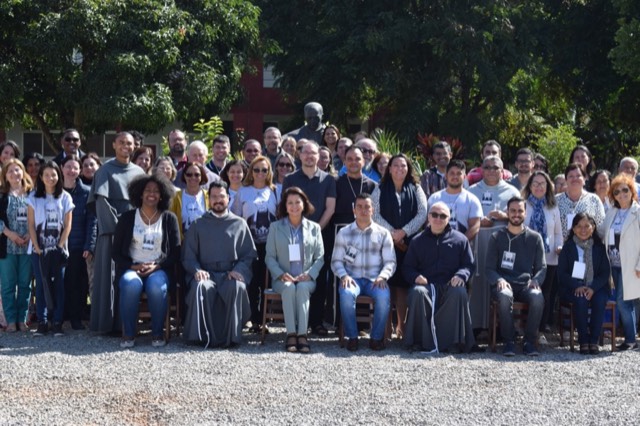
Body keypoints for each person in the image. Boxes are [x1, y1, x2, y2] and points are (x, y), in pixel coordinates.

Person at [182, 181, 257, 348]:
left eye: (221, 196)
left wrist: (239, 271)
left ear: (228, 198)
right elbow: (189, 256)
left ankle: (232, 337)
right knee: (201, 287)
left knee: (236, 287)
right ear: (209, 199)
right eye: (214, 197)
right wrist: (197, 270)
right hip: (206, 273)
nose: (218, 200)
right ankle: (201, 336)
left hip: (230, 273)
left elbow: (248, 255)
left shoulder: (239, 224)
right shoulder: (197, 224)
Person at [112, 174, 180, 348]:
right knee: (129, 283)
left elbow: (175, 253)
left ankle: (157, 333)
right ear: (139, 194)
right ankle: (128, 333)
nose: (152, 194)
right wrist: (133, 266)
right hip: (132, 267)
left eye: (156, 191)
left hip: (159, 269)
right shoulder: (127, 218)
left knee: (156, 287)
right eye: (147, 190)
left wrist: (157, 266)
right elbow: (115, 253)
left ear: (162, 195)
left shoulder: (169, 218)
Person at [88, 132, 145, 334]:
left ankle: (126, 324)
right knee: (108, 279)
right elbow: (101, 202)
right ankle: (106, 324)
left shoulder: (139, 172)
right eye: (121, 142)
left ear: (133, 146)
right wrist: (119, 228)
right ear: (114, 144)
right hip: (111, 233)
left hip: (135, 234)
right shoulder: (104, 171)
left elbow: (144, 203)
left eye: (129, 143)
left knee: (128, 277)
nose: (125, 146)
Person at [403, 202, 476, 353]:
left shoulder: (460, 240)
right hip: (426, 286)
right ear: (428, 217)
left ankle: (455, 342)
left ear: (449, 218)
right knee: (417, 292)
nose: (438, 218)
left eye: (443, 216)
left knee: (459, 292)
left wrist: (461, 275)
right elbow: (407, 268)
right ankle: (419, 341)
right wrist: (415, 277)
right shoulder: (417, 241)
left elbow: (468, 265)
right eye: (434, 215)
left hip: (450, 286)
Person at [282, 141, 336, 336]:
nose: (310, 157)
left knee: (318, 277)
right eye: (306, 153)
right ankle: (296, 321)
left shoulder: (328, 180)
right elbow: (286, 206)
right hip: (294, 235)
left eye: (314, 154)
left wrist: (315, 231)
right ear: (300, 155)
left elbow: (330, 208)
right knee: (296, 275)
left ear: (319, 157)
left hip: (321, 236)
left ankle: (316, 322)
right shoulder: (290, 179)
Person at [371, 153, 428, 338]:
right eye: (395, 165)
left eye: (403, 166)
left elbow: (422, 213)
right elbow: (374, 213)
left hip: (409, 244)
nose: (399, 169)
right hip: (384, 242)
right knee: (386, 286)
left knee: (403, 285)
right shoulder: (380, 188)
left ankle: (402, 329)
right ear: (389, 168)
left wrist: (403, 232)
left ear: (408, 168)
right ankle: (385, 329)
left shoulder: (416, 188)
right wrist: (392, 233)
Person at [332, 194, 396, 351]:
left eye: (367, 206)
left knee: (383, 297)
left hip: (375, 279)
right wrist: (344, 276)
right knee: (346, 294)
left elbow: (390, 261)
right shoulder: (344, 233)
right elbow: (336, 261)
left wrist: (383, 276)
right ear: (354, 210)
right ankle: (352, 337)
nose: (363, 210)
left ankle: (376, 338)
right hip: (352, 278)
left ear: (373, 210)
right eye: (359, 207)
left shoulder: (383, 233)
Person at [265, 187, 324, 353]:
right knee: (290, 288)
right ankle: (291, 333)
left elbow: (320, 258)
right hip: (282, 279)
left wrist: (310, 274)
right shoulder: (276, 227)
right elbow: (269, 257)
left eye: (297, 202)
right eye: (290, 203)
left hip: (306, 278)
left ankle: (302, 335)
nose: (294, 206)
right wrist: (281, 274)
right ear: (285, 206)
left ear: (304, 204)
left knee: (303, 288)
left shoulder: (314, 228)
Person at [486, 196, 546, 356]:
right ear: (507, 212)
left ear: (525, 213)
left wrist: (536, 280)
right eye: (513, 210)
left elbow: (542, 267)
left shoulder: (535, 237)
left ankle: (529, 341)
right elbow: (489, 268)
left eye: (520, 211)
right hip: (504, 284)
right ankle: (509, 341)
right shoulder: (497, 237)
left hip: (526, 285)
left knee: (538, 297)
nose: (516, 214)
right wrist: (499, 279)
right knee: (505, 296)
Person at [467, 155, 520, 330]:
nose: (491, 171)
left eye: (495, 167)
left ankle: (497, 327)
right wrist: (478, 221)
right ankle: (476, 325)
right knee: (477, 280)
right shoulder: (472, 190)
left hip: (502, 242)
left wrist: (505, 216)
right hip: (478, 240)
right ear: (482, 169)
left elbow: (519, 215)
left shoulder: (512, 192)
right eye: (487, 167)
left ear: (502, 170)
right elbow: (466, 215)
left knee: (498, 280)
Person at [28, 161, 74, 336]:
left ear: (58, 176)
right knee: (41, 285)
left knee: (59, 285)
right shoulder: (33, 197)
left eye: (53, 174)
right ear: (41, 177)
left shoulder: (65, 197)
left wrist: (59, 247)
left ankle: (57, 322)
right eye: (46, 175)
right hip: (38, 251)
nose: (50, 178)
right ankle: (42, 321)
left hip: (58, 251)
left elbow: (68, 225)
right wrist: (38, 248)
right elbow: (31, 225)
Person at [232, 156, 278, 333]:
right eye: (257, 169)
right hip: (248, 243)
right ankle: (253, 318)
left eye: (264, 170)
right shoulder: (243, 192)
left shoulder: (274, 191)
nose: (260, 173)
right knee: (251, 281)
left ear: (269, 172)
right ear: (251, 171)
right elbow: (236, 217)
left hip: (269, 243)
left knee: (266, 281)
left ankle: (265, 319)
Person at [597, 174, 640, 350]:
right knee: (626, 301)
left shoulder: (638, 212)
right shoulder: (612, 213)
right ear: (612, 195)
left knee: (623, 302)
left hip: (630, 265)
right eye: (617, 191)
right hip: (612, 264)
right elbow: (600, 232)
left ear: (632, 191)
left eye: (625, 190)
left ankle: (630, 340)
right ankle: (632, 338)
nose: (621, 194)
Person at [558, 213, 610, 354]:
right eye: (579, 226)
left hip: (596, 287)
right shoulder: (568, 247)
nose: (583, 229)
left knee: (599, 300)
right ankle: (583, 340)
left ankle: (593, 341)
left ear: (593, 228)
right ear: (573, 229)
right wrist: (577, 286)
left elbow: (605, 273)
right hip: (573, 287)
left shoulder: (600, 248)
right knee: (581, 299)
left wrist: (592, 288)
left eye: (587, 226)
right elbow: (561, 273)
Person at [522, 171, 563, 336]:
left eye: (543, 184)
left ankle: (540, 329)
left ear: (548, 187)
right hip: (525, 256)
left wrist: (559, 246)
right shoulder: (523, 204)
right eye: (535, 183)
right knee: (527, 291)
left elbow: (559, 233)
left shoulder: (553, 207)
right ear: (530, 186)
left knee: (545, 293)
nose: (539, 187)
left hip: (549, 257)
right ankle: (523, 328)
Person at [61, 156, 97, 330]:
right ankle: (60, 316)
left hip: (78, 245)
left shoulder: (87, 192)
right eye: (68, 167)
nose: (71, 171)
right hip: (58, 244)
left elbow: (92, 221)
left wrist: (89, 245)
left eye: (75, 168)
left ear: (80, 171)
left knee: (77, 284)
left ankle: (76, 318)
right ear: (62, 168)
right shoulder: (54, 192)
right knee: (61, 282)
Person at [0, 159, 33, 333]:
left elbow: (39, 216)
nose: (14, 174)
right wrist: (9, 233)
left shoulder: (32, 194)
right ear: (5, 175)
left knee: (25, 284)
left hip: (27, 246)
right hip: (7, 247)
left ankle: (22, 320)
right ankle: (11, 320)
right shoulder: (1, 195)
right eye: (10, 171)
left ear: (23, 172)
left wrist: (30, 233)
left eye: (17, 170)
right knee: (7, 285)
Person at [428, 159, 482, 240]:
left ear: (464, 177)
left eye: (459, 173)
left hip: (462, 248)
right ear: (446, 176)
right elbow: (428, 224)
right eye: (452, 173)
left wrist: (459, 244)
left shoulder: (472, 200)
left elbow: (475, 227)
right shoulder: (435, 198)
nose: (455, 176)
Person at [556, 163, 605, 240]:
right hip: (562, 249)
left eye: (578, 176)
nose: (575, 179)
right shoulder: (556, 200)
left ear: (584, 179)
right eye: (571, 176)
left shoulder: (594, 200)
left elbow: (601, 228)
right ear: (566, 180)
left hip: (588, 248)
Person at [334, 146, 377, 225]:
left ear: (363, 162)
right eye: (350, 159)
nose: (354, 162)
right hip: (340, 230)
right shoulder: (335, 183)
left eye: (357, 159)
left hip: (365, 230)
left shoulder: (372, 185)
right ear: (344, 162)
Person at [170, 162, 209, 240]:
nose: (193, 177)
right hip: (183, 244)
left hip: (205, 243)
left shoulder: (209, 195)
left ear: (202, 176)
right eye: (189, 174)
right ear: (184, 176)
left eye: (197, 174)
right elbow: (171, 222)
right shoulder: (175, 197)